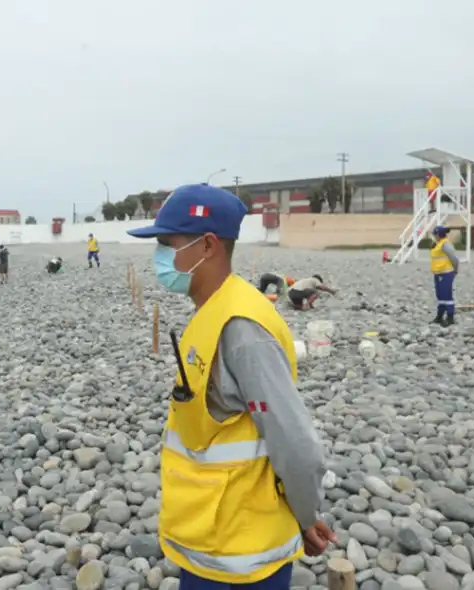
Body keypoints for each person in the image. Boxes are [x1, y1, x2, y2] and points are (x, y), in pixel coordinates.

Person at [126, 183, 334, 589]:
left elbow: (297, 443)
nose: (160, 256)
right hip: (211, 544)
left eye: (168, 243)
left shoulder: (241, 329)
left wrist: (306, 517)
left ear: (207, 246)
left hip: (241, 561)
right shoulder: (213, 310)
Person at [430, 225, 459, 326]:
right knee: (440, 296)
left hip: (446, 273)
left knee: (447, 295)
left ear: (438, 234)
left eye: (435, 234)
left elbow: (454, 258)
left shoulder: (445, 244)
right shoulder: (438, 244)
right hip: (438, 273)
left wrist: (455, 270)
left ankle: (450, 317)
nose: (434, 236)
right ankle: (440, 316)